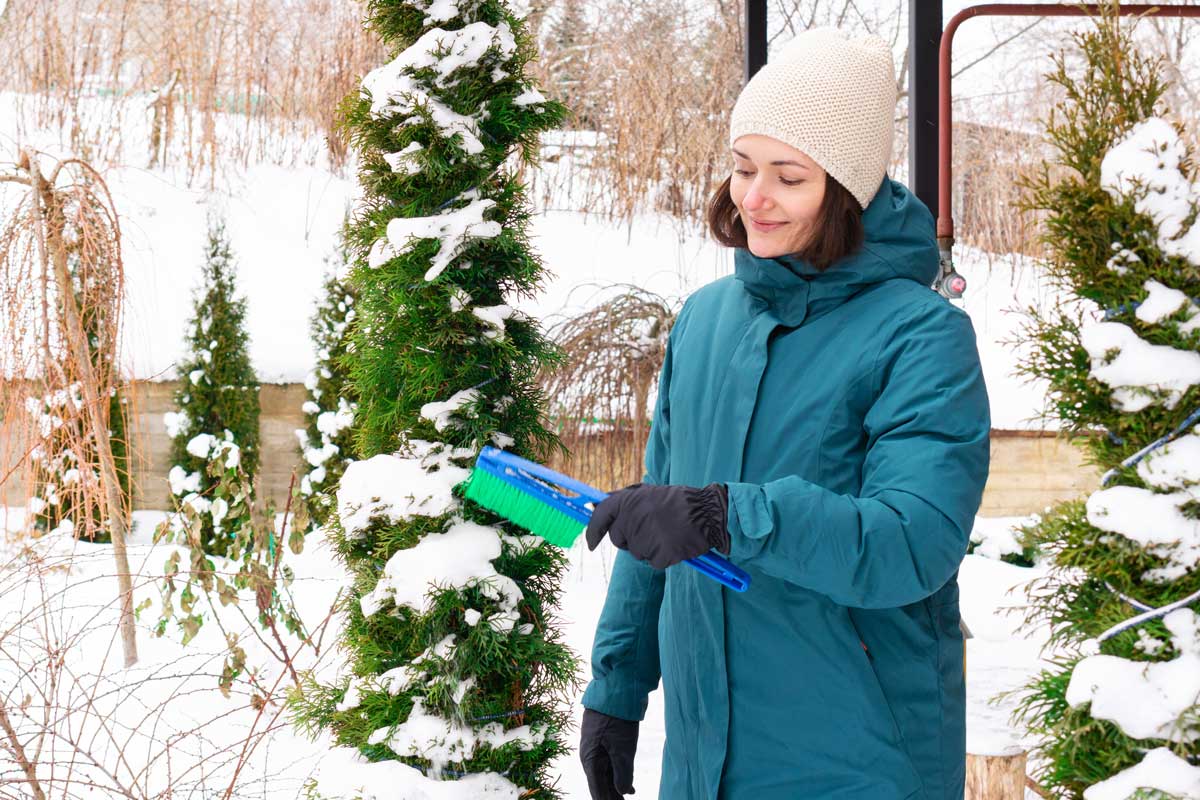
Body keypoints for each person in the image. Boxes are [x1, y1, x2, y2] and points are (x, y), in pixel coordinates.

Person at [577, 27, 991, 800]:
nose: (753, 198)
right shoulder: (703, 321)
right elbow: (657, 520)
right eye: (742, 168)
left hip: (858, 760)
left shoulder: (921, 334)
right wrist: (617, 687)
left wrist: (730, 516)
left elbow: (913, 541)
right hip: (705, 760)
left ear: (847, 187)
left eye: (788, 177)